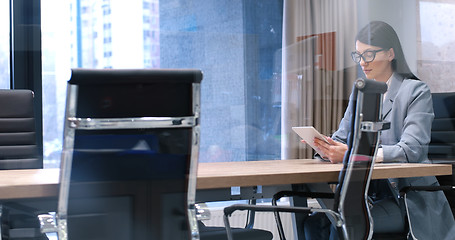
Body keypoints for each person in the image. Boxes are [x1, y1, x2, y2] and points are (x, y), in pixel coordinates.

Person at [304, 21, 455, 239]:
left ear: (390, 53)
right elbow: (341, 137)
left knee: (342, 225)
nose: (362, 63)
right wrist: (322, 145)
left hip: (405, 199)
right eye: (358, 56)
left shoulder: (415, 91)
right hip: (368, 196)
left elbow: (411, 150)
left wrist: (351, 154)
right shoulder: (361, 93)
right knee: (311, 225)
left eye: (369, 54)